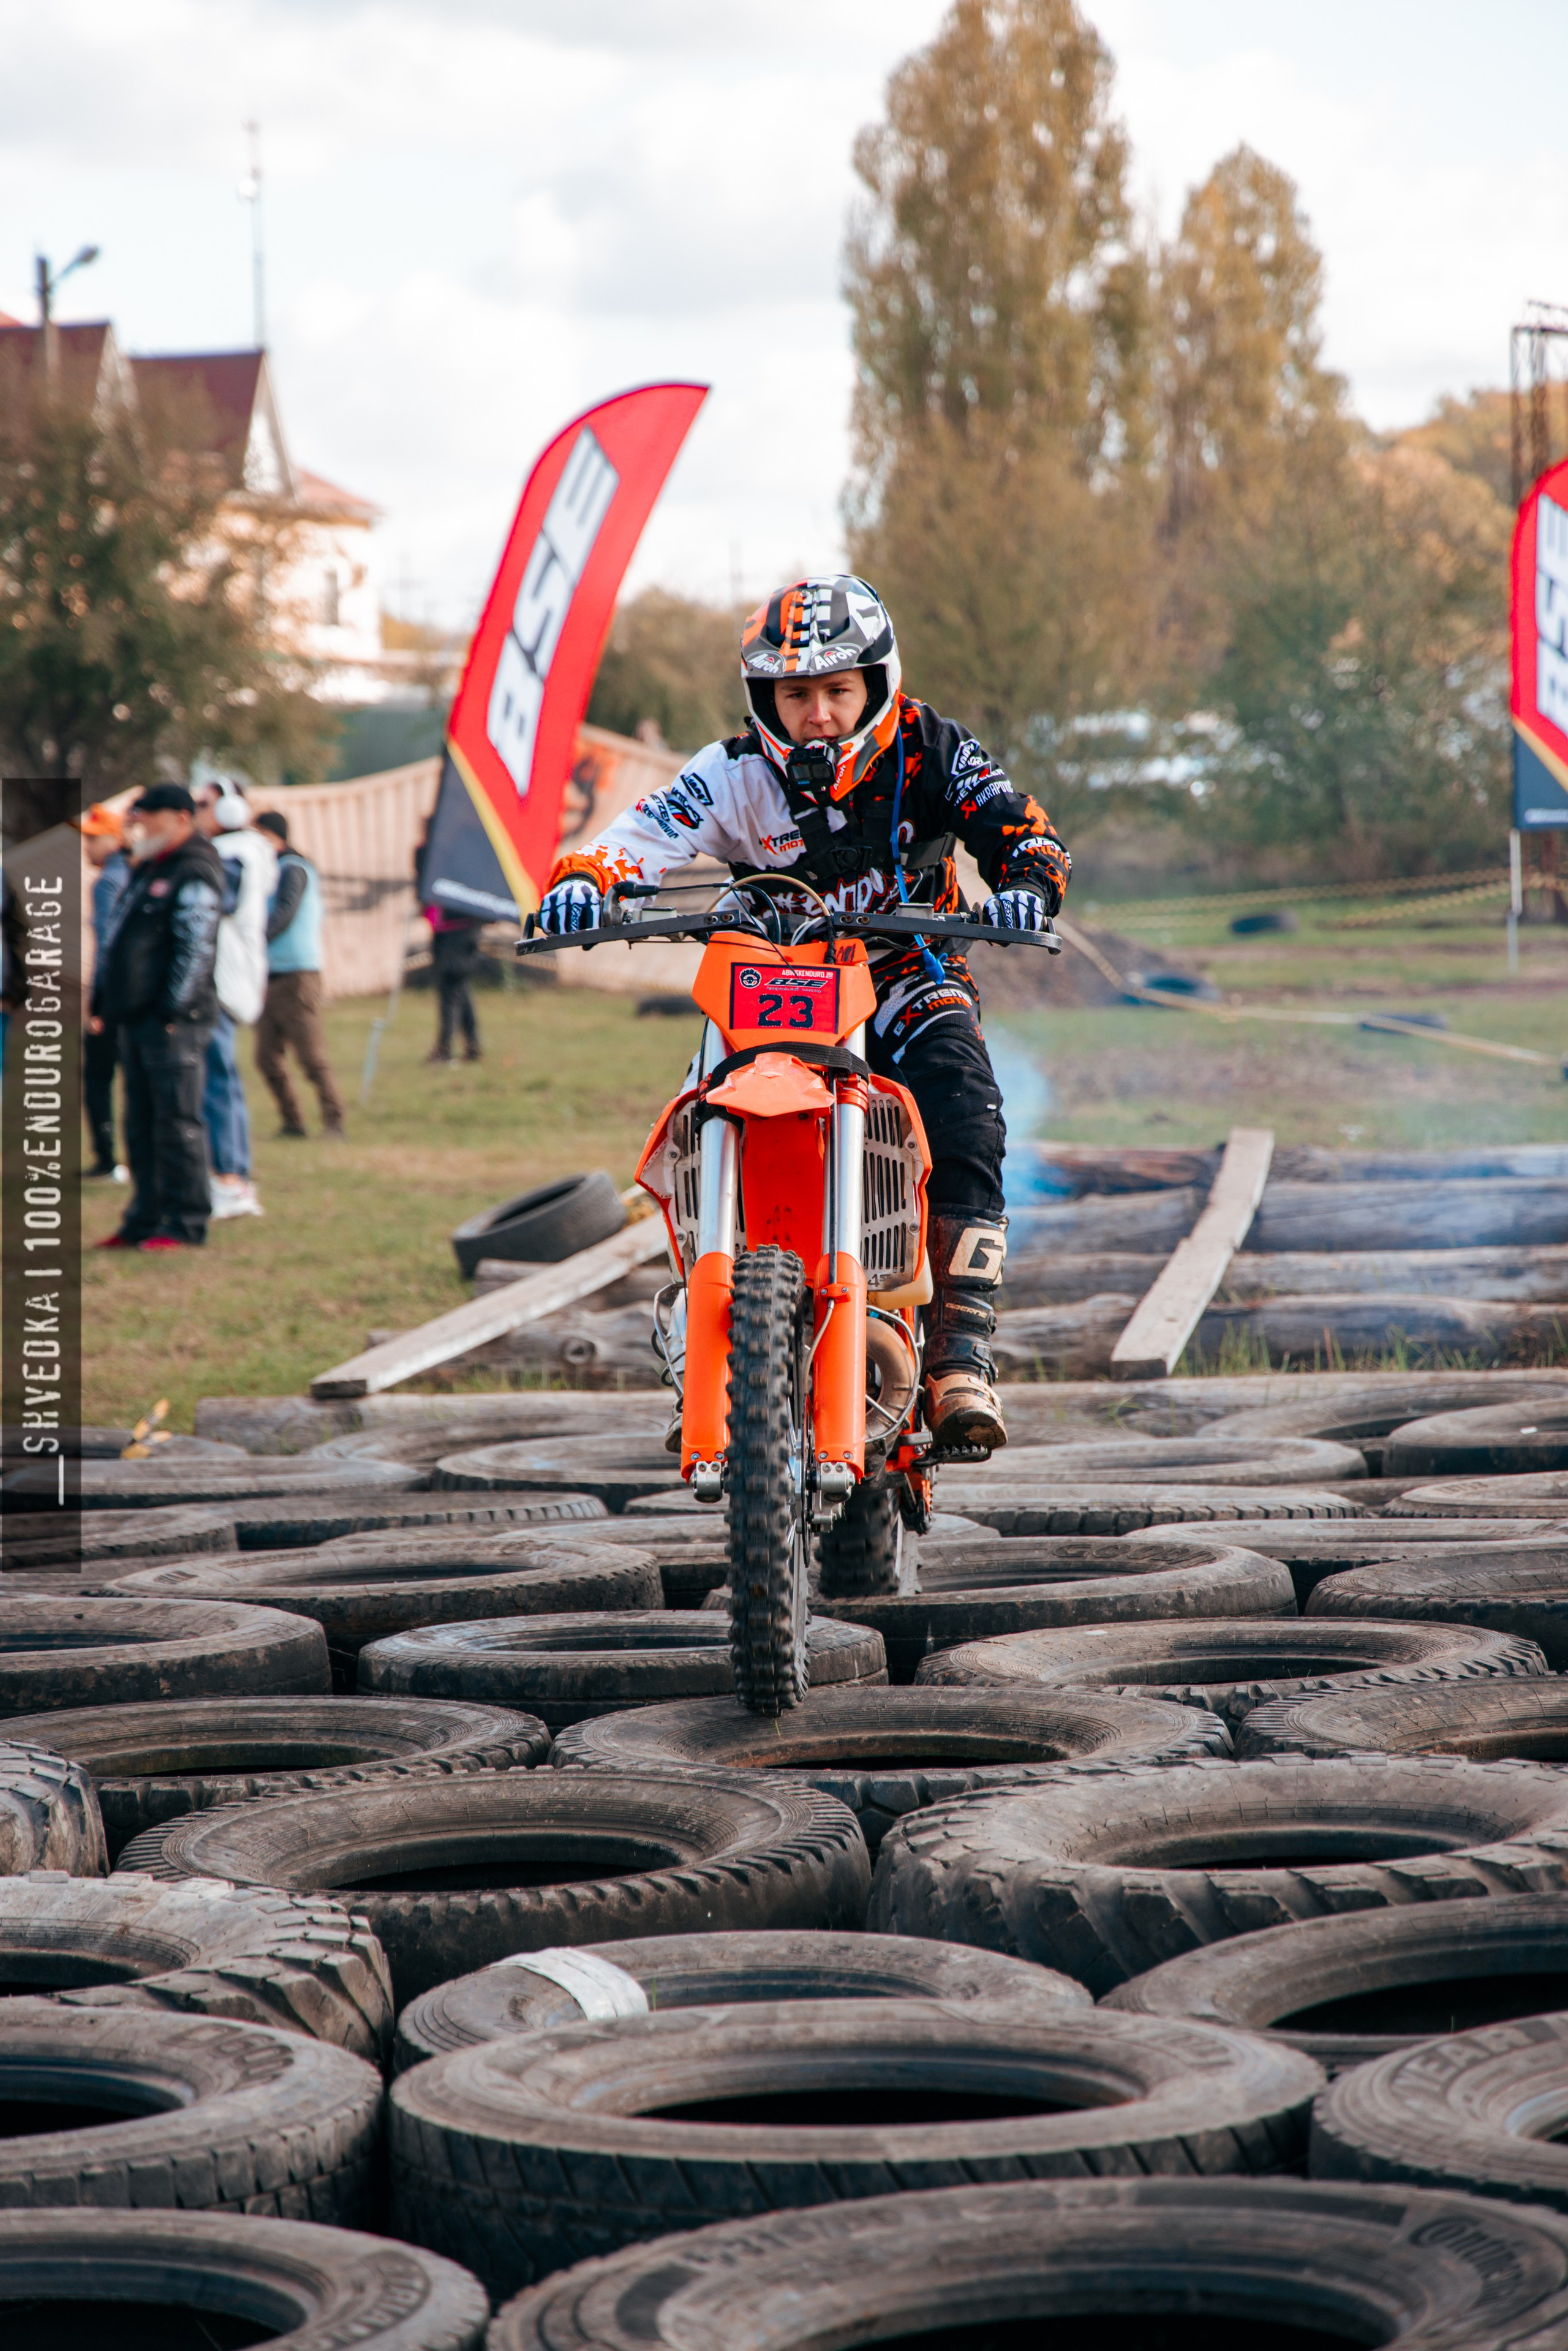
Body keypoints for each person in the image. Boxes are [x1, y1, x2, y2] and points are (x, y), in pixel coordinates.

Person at [537, 575, 1071, 1452]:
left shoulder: (933, 747)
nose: (817, 713)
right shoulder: (733, 771)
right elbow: (637, 834)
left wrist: (1024, 885)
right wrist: (584, 881)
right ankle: (709, 1353)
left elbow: (1021, 827)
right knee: (694, 1132)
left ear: (873, 685)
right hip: (771, 981)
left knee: (968, 1111)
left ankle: (958, 1357)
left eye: (835, 690)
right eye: (796, 693)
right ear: (766, 698)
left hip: (910, 968)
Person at [91, 783, 224, 1250]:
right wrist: (104, 1002)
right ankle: (145, 1217)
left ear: (181, 819)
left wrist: (173, 1009)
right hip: (135, 1018)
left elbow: (197, 947)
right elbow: (117, 940)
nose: (140, 824)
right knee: (141, 1124)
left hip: (172, 1022)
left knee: (177, 1123)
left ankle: (185, 1222)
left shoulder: (194, 869)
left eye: (150, 816)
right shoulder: (149, 868)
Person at [193, 781, 276, 1219]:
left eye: (202, 804)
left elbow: (209, 901)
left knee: (217, 1082)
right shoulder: (244, 851)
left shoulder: (234, 854)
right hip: (230, 976)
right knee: (224, 1081)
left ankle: (229, 1179)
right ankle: (231, 1175)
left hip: (223, 979)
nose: (194, 812)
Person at [252, 809, 345, 1138]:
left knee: (310, 1056)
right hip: (270, 975)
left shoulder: (294, 869)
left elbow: (285, 913)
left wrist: (252, 940)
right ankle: (293, 1122)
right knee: (266, 1057)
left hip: (297, 975)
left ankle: (334, 1121)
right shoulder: (271, 870)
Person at [80, 804, 132, 1180]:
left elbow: (107, 944)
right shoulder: (137, 873)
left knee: (98, 1079)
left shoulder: (108, 882)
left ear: (115, 839)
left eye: (93, 839)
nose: (87, 846)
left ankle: (107, 1160)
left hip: (113, 996)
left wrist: (95, 1001)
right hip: (138, 996)